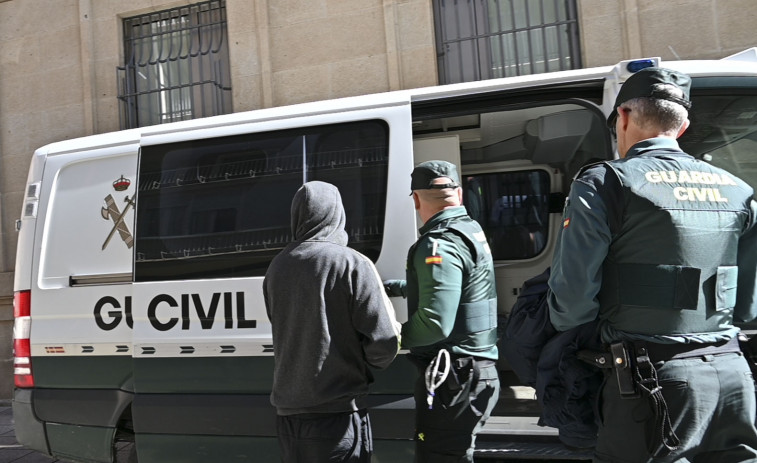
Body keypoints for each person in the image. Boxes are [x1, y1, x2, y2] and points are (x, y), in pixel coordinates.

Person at [548, 67, 757, 462]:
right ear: (683, 127)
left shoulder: (605, 182)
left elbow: (572, 302)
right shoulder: (738, 189)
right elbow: (746, 306)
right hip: (732, 377)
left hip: (651, 382)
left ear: (623, 117)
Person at [264, 180, 401, 463]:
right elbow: (386, 340)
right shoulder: (352, 263)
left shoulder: (277, 267)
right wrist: (362, 366)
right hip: (337, 413)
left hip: (289, 415)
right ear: (337, 214)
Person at [384, 160, 499, 462]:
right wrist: (398, 287)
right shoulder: (469, 230)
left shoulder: (438, 243)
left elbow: (434, 324)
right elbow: (455, 288)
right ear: (458, 194)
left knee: (439, 456)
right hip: (475, 372)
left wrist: (390, 339)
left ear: (417, 199)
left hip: (454, 378)